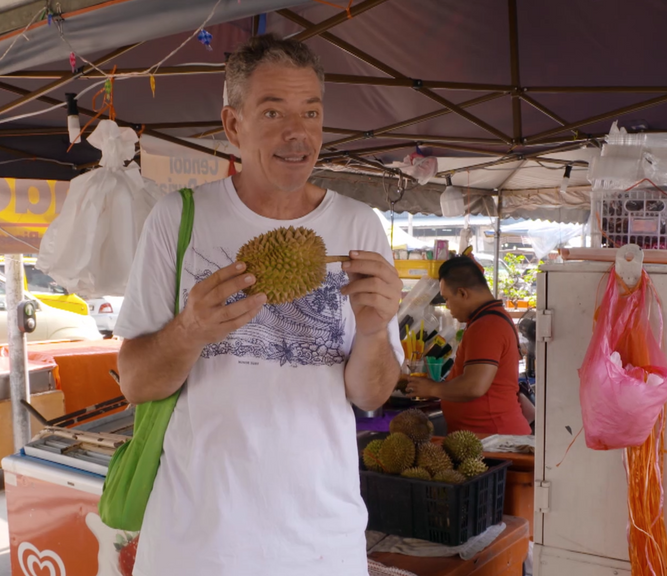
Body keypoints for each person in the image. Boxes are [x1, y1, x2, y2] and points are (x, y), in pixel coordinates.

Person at [114, 34, 403, 576]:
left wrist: (372, 332)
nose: (298, 133)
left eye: (311, 112)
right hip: (197, 545)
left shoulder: (360, 227)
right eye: (273, 112)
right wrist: (189, 330)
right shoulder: (178, 221)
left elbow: (372, 395)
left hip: (322, 544)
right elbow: (134, 381)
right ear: (233, 126)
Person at [405, 257, 532, 435]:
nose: (448, 306)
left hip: (495, 439)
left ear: (463, 293)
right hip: (487, 437)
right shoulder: (490, 319)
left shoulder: (487, 325)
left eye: (448, 299)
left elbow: (474, 386)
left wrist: (432, 388)